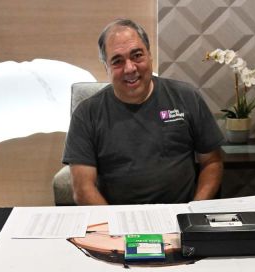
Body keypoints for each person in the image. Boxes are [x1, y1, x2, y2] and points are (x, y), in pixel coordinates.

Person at [63, 18, 223, 205]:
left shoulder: (186, 97)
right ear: (106, 67)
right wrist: (114, 222)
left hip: (179, 214)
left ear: (149, 55)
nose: (130, 68)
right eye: (117, 61)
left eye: (137, 55)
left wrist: (194, 209)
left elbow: (212, 162)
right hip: (116, 217)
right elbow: (82, 189)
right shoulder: (86, 114)